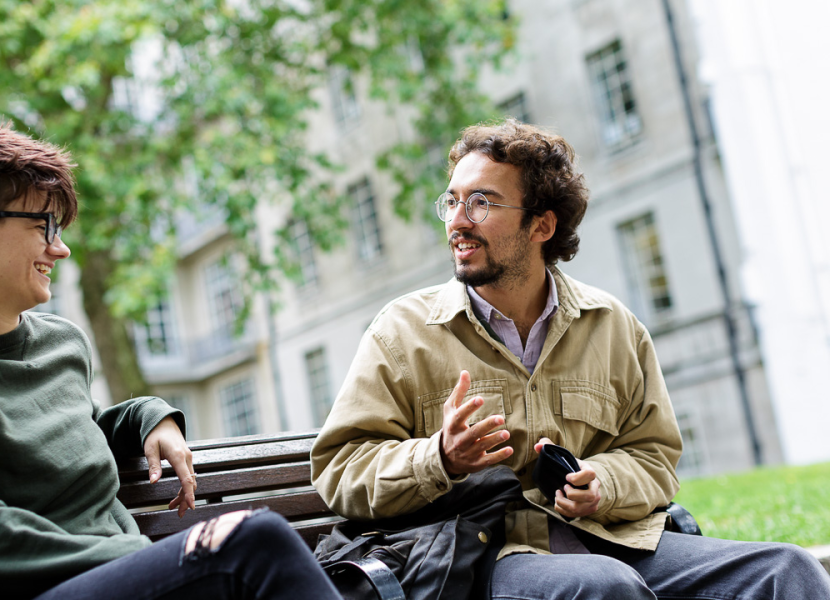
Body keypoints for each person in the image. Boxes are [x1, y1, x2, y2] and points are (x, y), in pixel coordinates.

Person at [310, 119, 830, 599]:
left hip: (609, 540)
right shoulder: (402, 332)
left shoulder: (613, 326)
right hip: (481, 558)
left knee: (788, 570)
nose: (458, 222)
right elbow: (340, 469)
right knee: (603, 586)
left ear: (541, 226)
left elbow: (653, 456)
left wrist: (602, 483)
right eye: (453, 201)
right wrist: (439, 458)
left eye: (482, 203)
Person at [0, 125, 342, 600]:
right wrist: (153, 557)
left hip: (116, 577)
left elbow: (58, 440)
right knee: (253, 542)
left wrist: (147, 416)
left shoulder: (61, 343)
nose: (60, 248)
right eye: (42, 226)